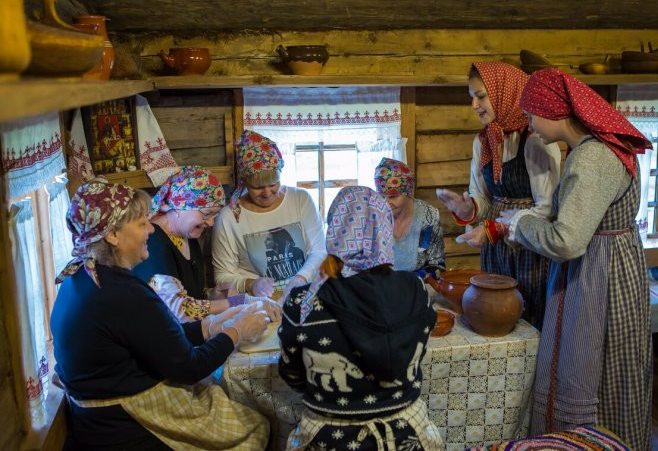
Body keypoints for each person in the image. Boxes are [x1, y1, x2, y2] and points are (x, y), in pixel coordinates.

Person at [51, 178, 270, 450]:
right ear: (113, 235)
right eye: (142, 224)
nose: (150, 230)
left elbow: (156, 336)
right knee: (256, 427)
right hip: (125, 425)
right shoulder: (123, 292)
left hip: (97, 419)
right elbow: (189, 367)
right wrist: (236, 332)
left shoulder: (80, 277)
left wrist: (213, 325)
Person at [498, 68, 652, 450]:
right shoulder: (595, 149)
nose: (530, 125)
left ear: (552, 111)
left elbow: (567, 241)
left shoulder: (593, 157)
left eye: (531, 116)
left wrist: (521, 225)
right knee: (607, 368)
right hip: (607, 266)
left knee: (592, 367)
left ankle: (591, 442)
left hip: (599, 278)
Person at [278, 185, 443, 450]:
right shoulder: (416, 291)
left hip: (329, 440)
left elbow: (292, 376)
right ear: (385, 230)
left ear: (335, 231)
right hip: (406, 436)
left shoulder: (302, 302)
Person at [436, 61, 561, 330]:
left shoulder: (535, 139)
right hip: (496, 251)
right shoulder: (484, 141)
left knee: (529, 318)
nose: (474, 105)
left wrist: (496, 229)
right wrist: (467, 208)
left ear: (505, 92)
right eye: (472, 98)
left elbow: (547, 208)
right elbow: (483, 198)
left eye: (481, 96)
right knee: (493, 312)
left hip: (530, 250)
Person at [133, 165, 281, 322]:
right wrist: (240, 301)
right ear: (179, 206)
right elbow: (179, 310)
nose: (210, 222)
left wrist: (213, 295)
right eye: (206, 214)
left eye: (214, 215)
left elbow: (190, 294)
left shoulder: (188, 237)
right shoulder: (153, 243)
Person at [212, 130, 327, 304]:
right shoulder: (229, 218)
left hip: (304, 295)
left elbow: (319, 251)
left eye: (273, 184)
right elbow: (222, 276)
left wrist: (300, 279)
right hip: (258, 304)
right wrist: (251, 284)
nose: (267, 193)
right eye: (257, 187)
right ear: (244, 182)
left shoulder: (300, 199)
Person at [374, 157, 445, 279]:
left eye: (393, 197)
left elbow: (437, 265)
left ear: (408, 192)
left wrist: (409, 282)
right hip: (381, 287)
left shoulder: (428, 216)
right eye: (381, 196)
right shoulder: (373, 217)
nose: (386, 204)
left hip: (418, 285)